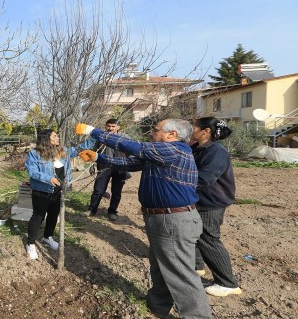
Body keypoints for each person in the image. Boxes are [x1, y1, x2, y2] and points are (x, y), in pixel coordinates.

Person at [78, 119, 212, 318]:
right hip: (162, 219)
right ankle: (157, 306)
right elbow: (130, 162)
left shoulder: (174, 150)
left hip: (174, 219)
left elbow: (133, 147)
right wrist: (98, 156)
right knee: (159, 266)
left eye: (155, 130)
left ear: (171, 134)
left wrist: (93, 131)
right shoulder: (161, 154)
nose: (151, 132)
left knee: (182, 275)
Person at [191, 117, 242, 297]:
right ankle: (197, 266)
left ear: (205, 132)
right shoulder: (198, 148)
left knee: (209, 239)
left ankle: (227, 283)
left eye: (194, 128)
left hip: (211, 202)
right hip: (200, 200)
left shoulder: (216, 152)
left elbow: (204, 178)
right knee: (194, 234)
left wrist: (177, 184)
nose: (191, 130)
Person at [24, 129, 90, 260]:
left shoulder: (62, 151)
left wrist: (95, 135)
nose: (58, 137)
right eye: (55, 136)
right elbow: (32, 171)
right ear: (46, 138)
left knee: (54, 215)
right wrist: (48, 178)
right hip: (42, 190)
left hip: (58, 190)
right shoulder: (35, 154)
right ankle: (30, 243)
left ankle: (47, 237)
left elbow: (80, 149)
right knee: (38, 217)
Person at [87, 119, 130, 221]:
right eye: (108, 126)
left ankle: (112, 211)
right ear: (105, 126)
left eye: (113, 126)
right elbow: (94, 151)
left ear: (118, 127)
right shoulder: (101, 137)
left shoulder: (125, 138)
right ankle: (92, 210)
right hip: (104, 166)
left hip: (120, 167)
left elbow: (131, 152)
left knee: (116, 191)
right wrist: (92, 165)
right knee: (98, 189)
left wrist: (128, 166)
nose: (110, 128)